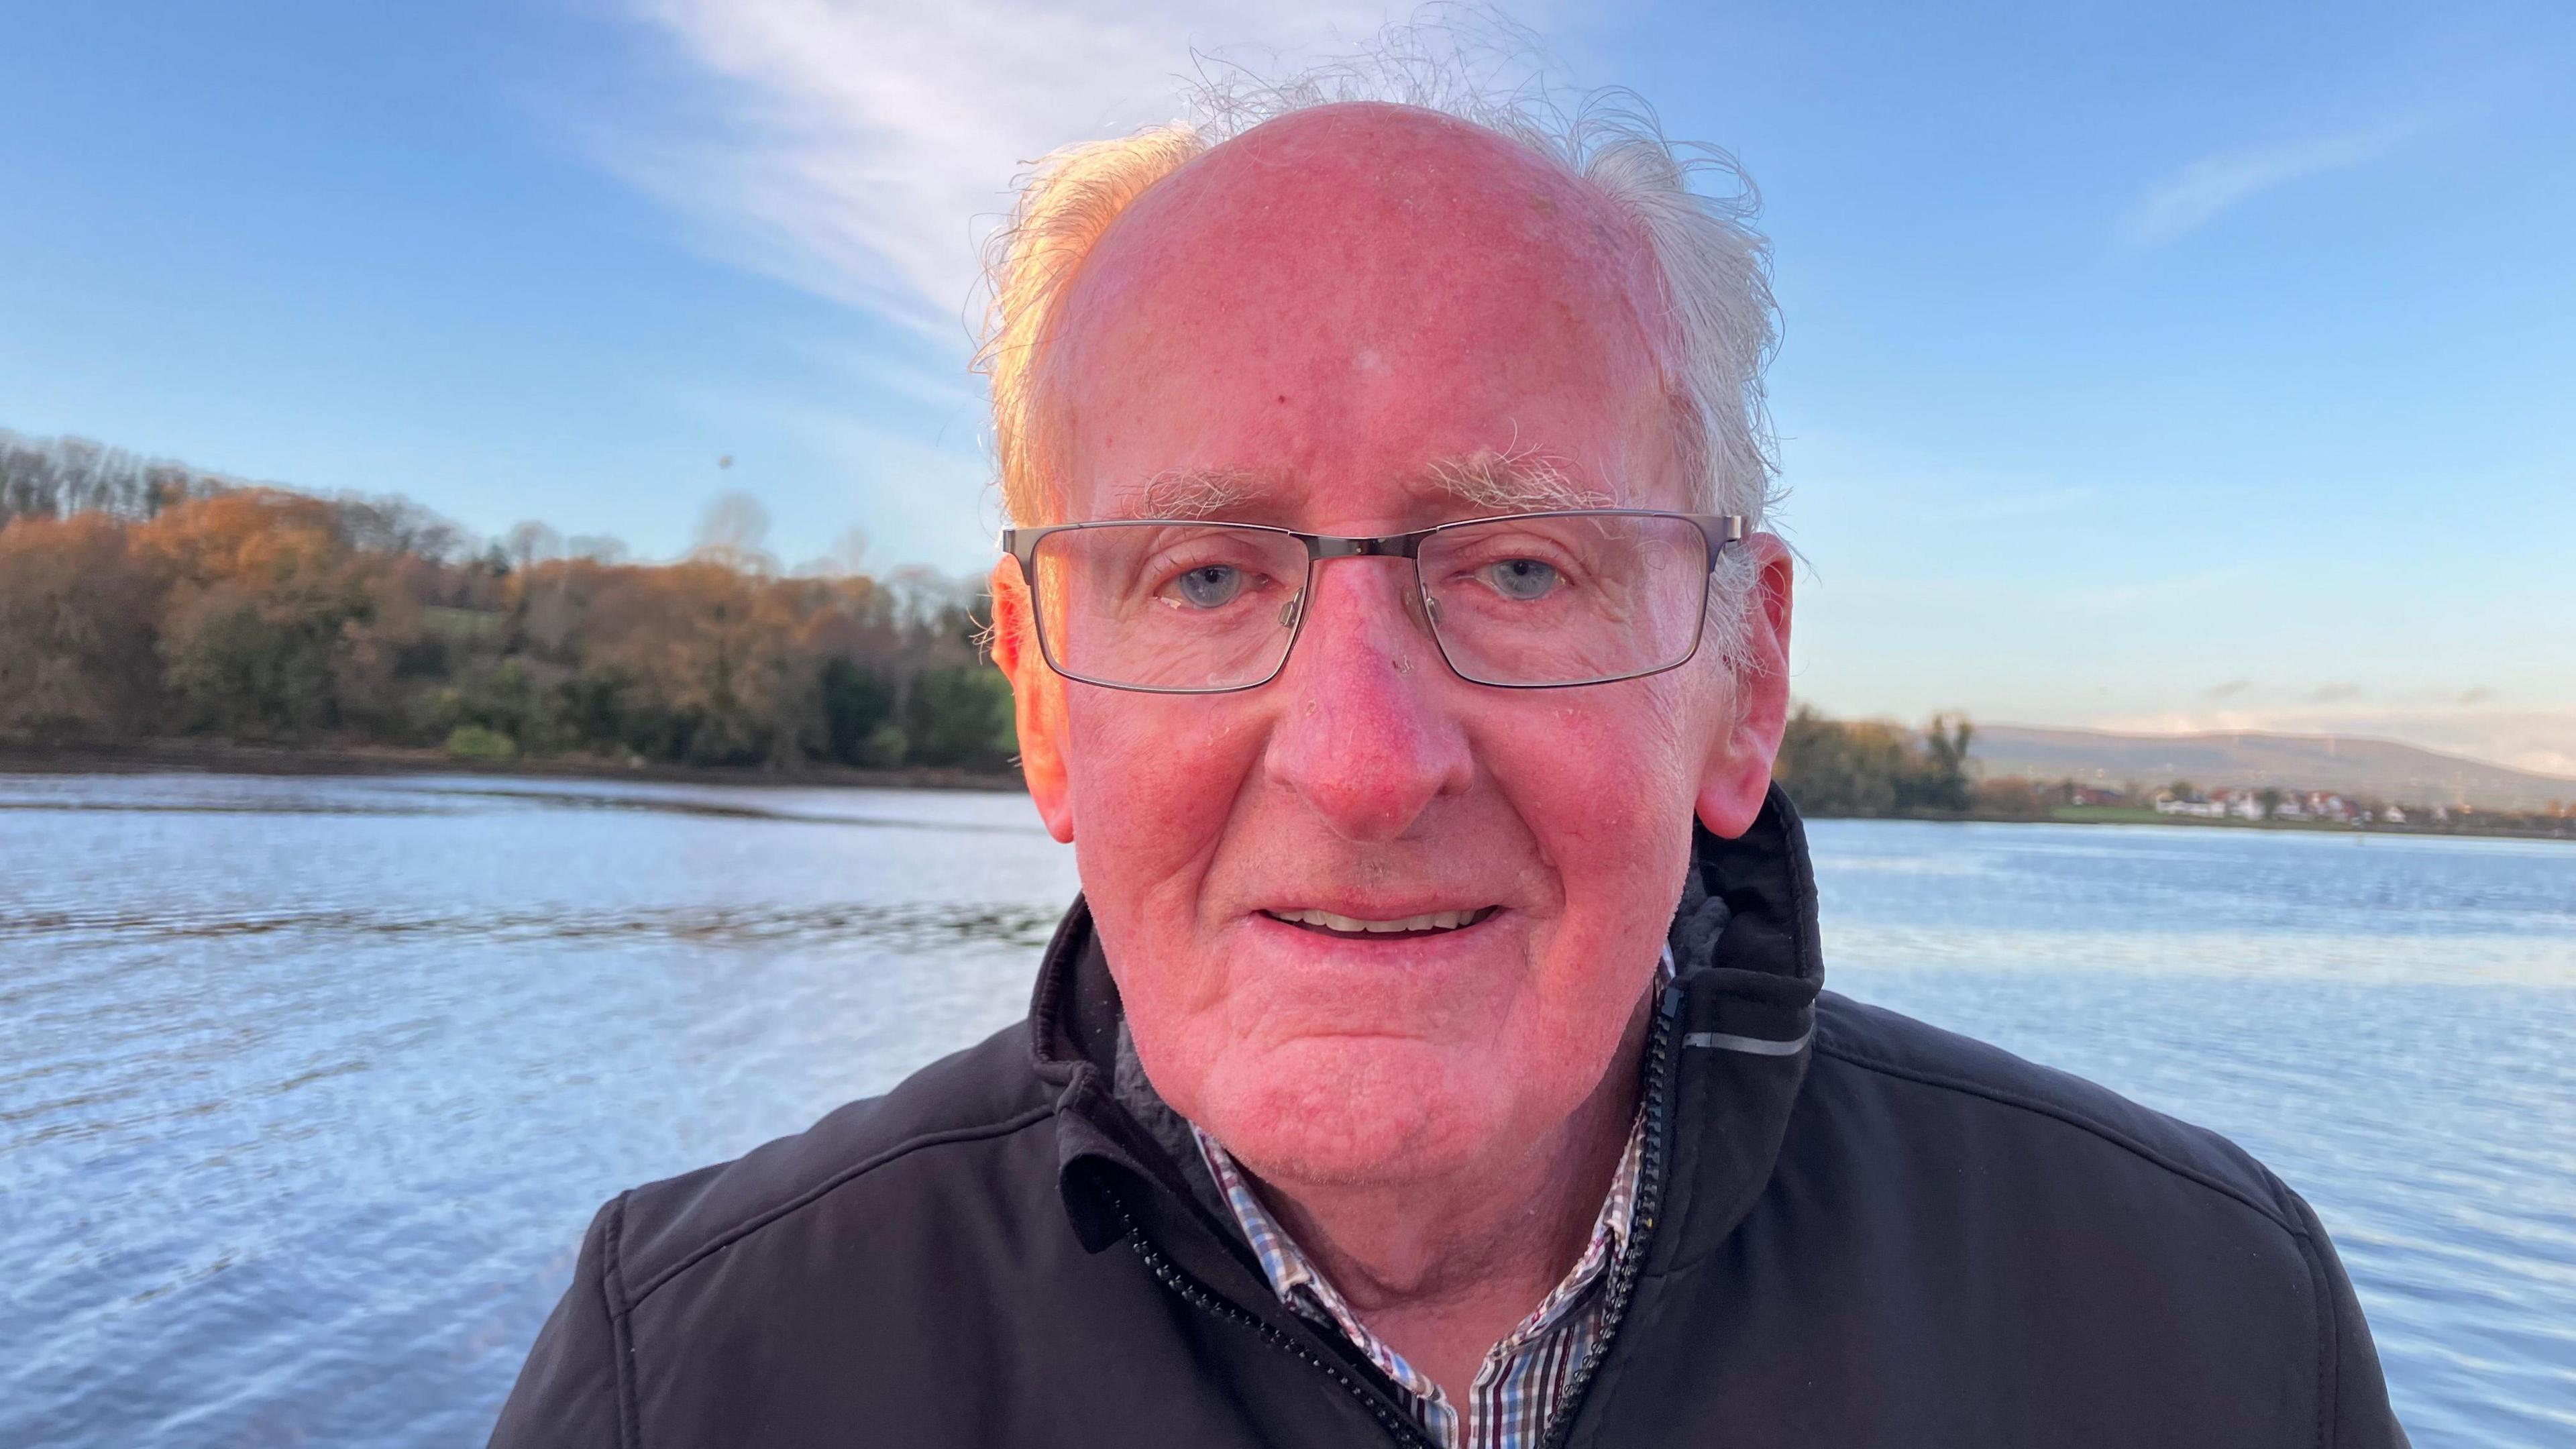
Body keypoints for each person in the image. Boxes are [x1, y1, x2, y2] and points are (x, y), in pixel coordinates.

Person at [490, 54, 2409, 1449]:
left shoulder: (2208, 1326)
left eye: (1513, 565)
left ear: (1741, 683)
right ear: (1043, 695)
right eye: (1211, 575)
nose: (1360, 759)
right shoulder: (702, 1374)